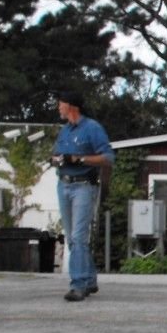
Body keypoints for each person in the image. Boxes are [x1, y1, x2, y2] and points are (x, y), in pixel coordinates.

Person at [50, 90, 114, 301]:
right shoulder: (64, 131)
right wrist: (58, 159)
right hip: (64, 185)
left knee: (78, 237)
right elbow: (57, 154)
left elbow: (107, 157)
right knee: (72, 238)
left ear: (72, 106)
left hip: (83, 187)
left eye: (61, 104)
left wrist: (79, 159)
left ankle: (77, 285)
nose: (58, 108)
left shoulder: (92, 128)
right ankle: (89, 280)